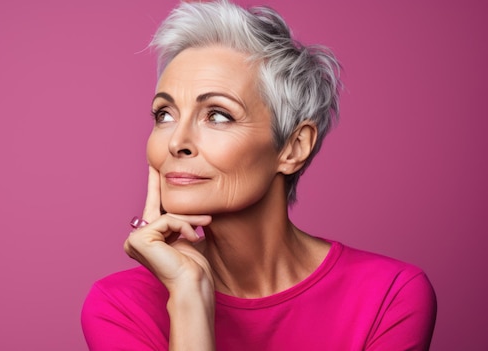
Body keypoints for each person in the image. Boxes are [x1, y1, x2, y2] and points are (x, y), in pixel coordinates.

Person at [81, 1, 437, 350]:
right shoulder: (118, 307)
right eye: (164, 114)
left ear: (293, 147)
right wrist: (190, 294)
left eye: (218, 115)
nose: (176, 142)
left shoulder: (390, 295)